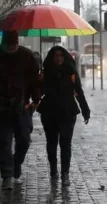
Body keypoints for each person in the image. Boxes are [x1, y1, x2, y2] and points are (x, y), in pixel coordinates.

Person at [0, 31, 40, 190]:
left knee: (24, 140)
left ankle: (16, 163)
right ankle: (6, 175)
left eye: (14, 45)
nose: (12, 48)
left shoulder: (27, 56)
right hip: (0, 109)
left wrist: (35, 101)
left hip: (21, 107)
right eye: (9, 46)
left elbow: (34, 80)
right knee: (4, 142)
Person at [37, 46, 90, 186]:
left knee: (65, 143)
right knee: (52, 143)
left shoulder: (71, 72)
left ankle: (65, 173)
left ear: (64, 57)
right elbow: (39, 92)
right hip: (49, 111)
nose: (58, 58)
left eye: (61, 55)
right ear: (52, 57)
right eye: (55, 56)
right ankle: (53, 171)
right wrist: (40, 80)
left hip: (68, 111)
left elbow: (78, 91)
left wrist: (85, 110)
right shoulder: (45, 72)